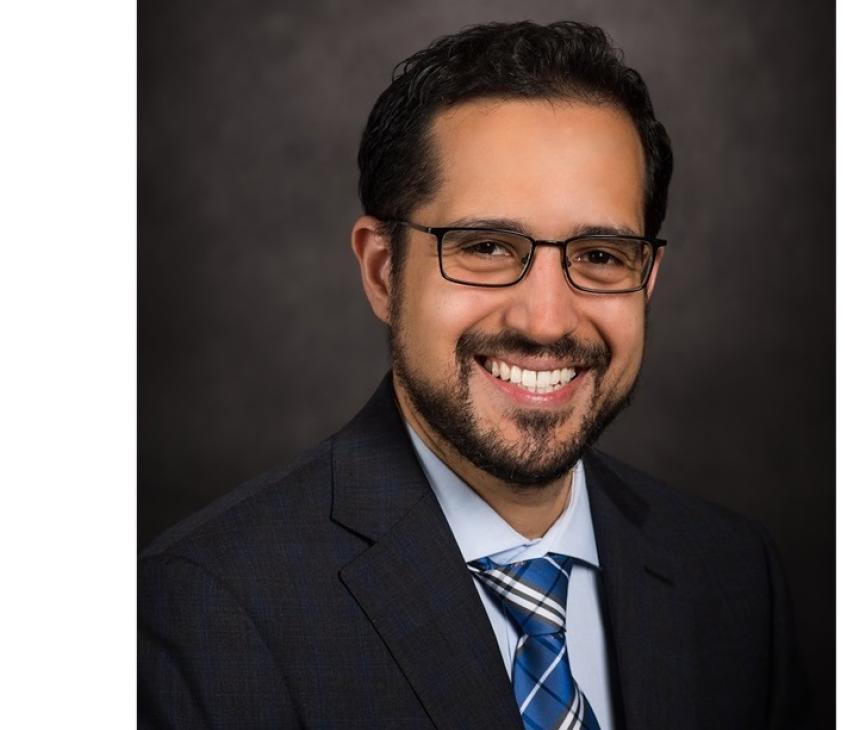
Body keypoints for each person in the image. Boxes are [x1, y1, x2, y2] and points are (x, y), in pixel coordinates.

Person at [139, 20, 808, 729]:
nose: (547, 320)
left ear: (646, 280)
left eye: (600, 255)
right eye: (486, 247)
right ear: (382, 270)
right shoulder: (202, 614)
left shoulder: (735, 578)